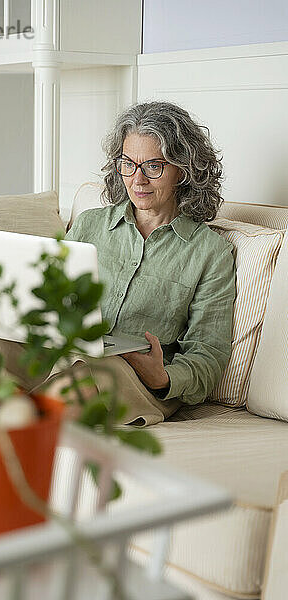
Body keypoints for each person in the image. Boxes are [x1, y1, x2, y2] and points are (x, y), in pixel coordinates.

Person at [61, 101, 236, 425]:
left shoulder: (210, 254)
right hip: (64, 356)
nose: (137, 179)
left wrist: (163, 378)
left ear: (183, 169)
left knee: (88, 375)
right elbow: (48, 292)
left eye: (153, 166)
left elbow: (208, 355)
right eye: (128, 164)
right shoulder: (90, 225)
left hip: (134, 381)